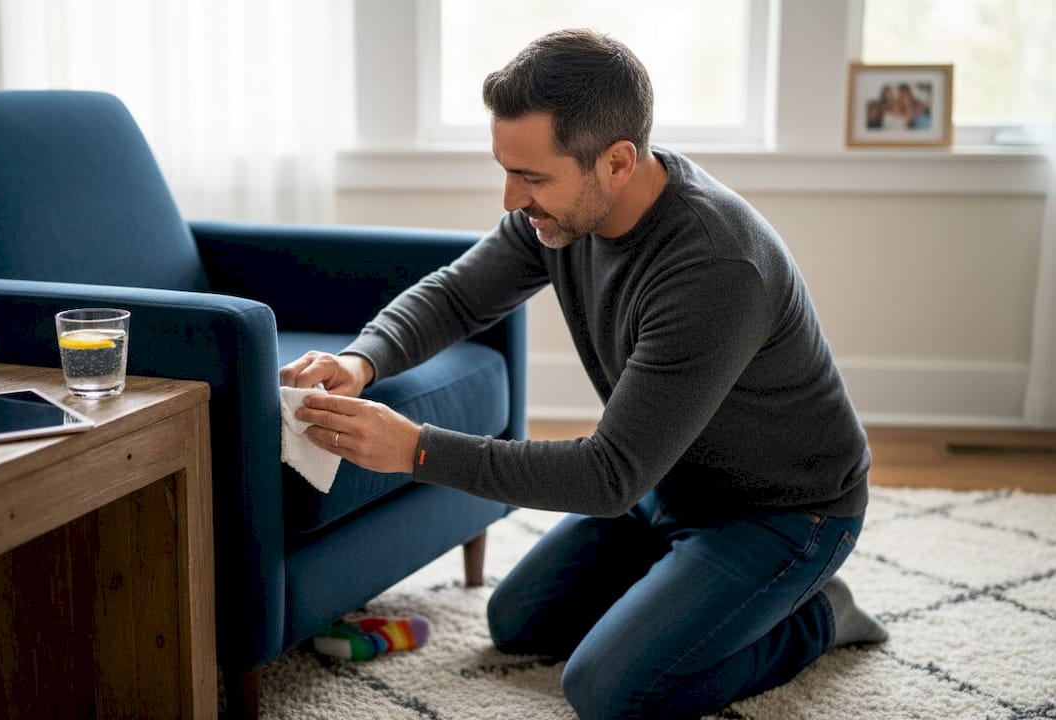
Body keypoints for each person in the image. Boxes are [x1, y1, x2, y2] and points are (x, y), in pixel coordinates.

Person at [281, 28, 888, 719]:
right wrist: (362, 358)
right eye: (506, 170)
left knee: (607, 690)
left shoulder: (715, 269)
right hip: (669, 483)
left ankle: (817, 618)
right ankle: (688, 586)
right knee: (518, 623)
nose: (512, 199)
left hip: (782, 513)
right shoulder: (561, 218)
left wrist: (415, 449)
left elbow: (606, 477)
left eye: (533, 177)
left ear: (618, 163)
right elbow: (457, 295)